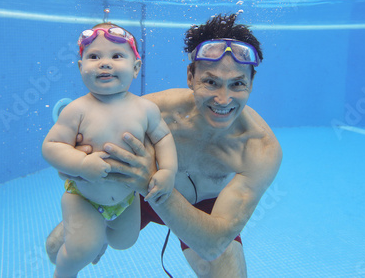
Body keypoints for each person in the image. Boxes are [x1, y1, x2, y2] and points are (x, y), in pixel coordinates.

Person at [46, 14, 282, 277]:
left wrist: (147, 181)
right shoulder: (158, 110)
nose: (223, 99)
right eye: (211, 82)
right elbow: (82, 140)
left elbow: (213, 244)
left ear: (251, 82)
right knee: (55, 249)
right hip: (134, 194)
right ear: (191, 76)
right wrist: (75, 163)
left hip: (203, 211)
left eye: (237, 83)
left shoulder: (259, 148)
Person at [42, 22, 178, 278]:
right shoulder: (77, 110)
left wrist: (168, 170)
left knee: (125, 241)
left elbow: (163, 138)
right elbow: (51, 146)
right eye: (94, 57)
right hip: (84, 197)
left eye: (117, 56)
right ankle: (63, 272)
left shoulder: (145, 109)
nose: (104, 63)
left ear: (136, 68)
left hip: (126, 199)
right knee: (83, 249)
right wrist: (81, 165)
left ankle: (100, 235)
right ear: (81, 66)